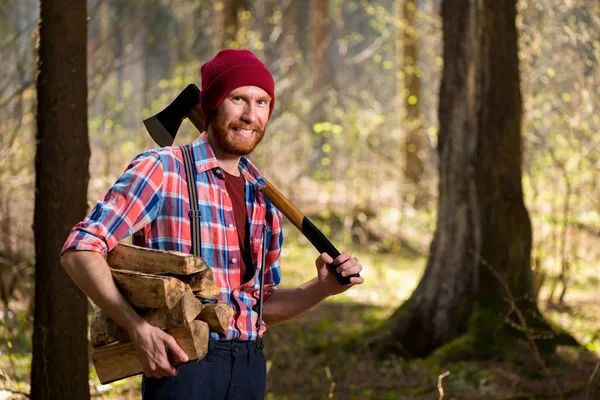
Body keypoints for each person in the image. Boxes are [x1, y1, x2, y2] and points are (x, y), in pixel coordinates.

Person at [61, 49, 364, 399]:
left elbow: (256, 306)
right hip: (185, 369)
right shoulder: (164, 169)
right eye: (238, 99)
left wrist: (321, 288)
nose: (251, 115)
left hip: (250, 368)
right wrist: (139, 329)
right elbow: (80, 250)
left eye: (262, 102)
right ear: (213, 104)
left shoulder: (262, 198)